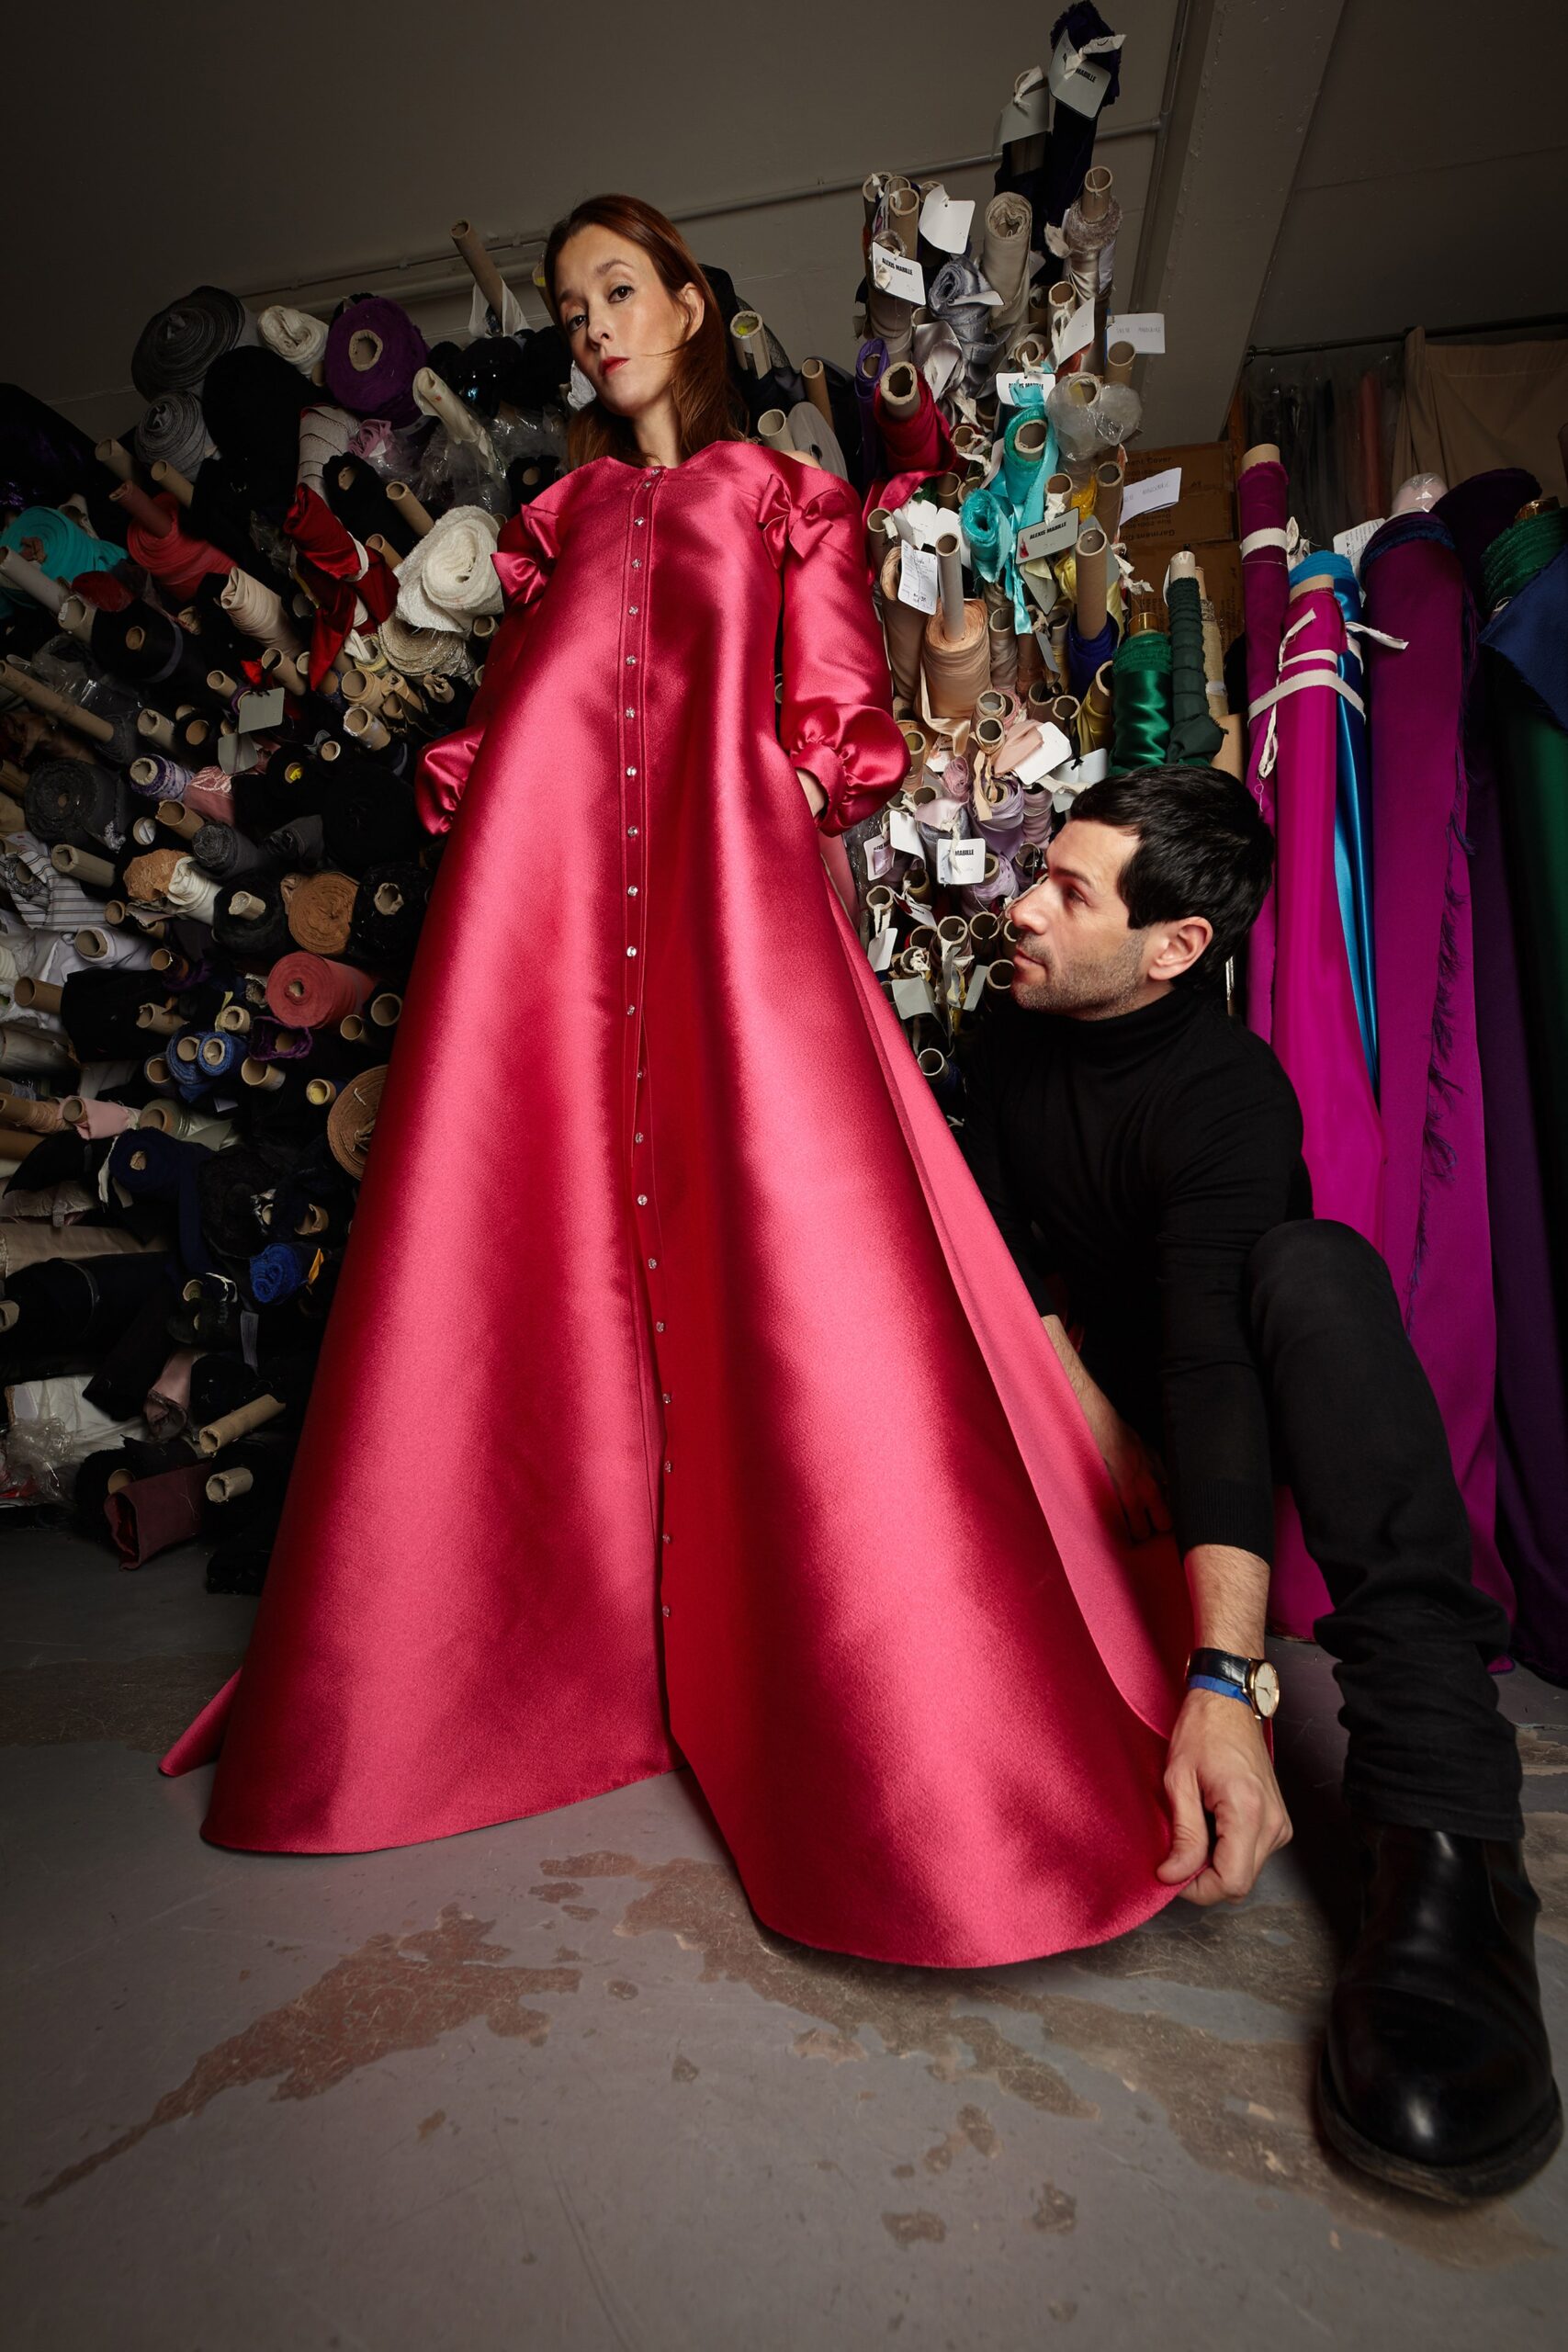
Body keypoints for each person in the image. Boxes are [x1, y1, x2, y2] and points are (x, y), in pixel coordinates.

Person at [162, 197, 1208, 1972]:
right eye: (571, 307)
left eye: (620, 292)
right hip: (555, 964)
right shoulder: (555, 526)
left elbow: (837, 720)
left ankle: (905, 1741)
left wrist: (781, 809)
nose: (593, 328)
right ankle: (507, 1664)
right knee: (525, 1270)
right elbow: (511, 756)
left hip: (735, 937)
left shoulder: (780, 495)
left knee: (799, 1286)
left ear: (692, 303)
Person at [957, 760, 1560, 2203]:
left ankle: (1450, 1836)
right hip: (1070, 1404)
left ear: (1175, 950)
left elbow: (1218, 1373)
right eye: (1042, 868)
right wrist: (1085, 1405)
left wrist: (1225, 1681)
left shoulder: (1230, 1097)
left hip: (1218, 1429)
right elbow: (987, 1209)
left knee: (1316, 1269)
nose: (1021, 907)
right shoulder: (1004, 1018)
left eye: (1065, 890)